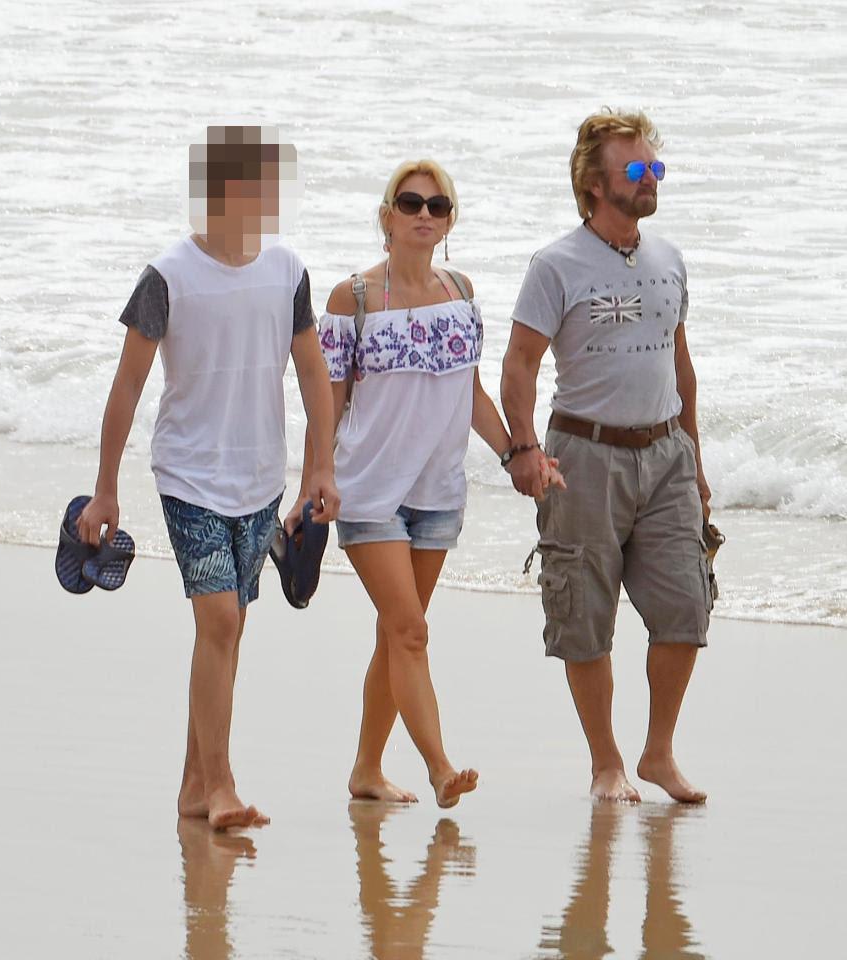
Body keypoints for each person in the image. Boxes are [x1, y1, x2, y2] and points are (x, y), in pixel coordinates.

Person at [77, 126, 339, 829]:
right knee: (220, 620)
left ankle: (195, 787)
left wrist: (320, 463)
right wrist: (107, 488)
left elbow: (314, 373)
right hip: (189, 474)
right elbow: (127, 386)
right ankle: (221, 786)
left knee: (227, 631)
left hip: (261, 476)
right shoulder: (168, 276)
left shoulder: (287, 270)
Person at [288, 159, 563, 808]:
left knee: (396, 634)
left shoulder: (460, 293)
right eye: (410, 204)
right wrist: (313, 480)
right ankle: (440, 767)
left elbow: (469, 394)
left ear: (449, 223)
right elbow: (324, 403)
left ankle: (366, 770)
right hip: (368, 493)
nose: (423, 215)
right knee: (410, 630)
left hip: (438, 495)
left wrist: (520, 454)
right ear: (386, 217)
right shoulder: (350, 299)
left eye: (437, 207)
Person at [501, 109, 711, 804]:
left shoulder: (669, 259)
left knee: (687, 608)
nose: (650, 178)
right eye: (636, 168)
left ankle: (657, 753)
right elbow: (520, 366)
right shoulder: (555, 265)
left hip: (667, 454)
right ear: (594, 183)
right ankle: (606, 764)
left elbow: (682, 367)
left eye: (655, 167)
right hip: (582, 456)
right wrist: (523, 450)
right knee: (585, 617)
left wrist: (698, 465)